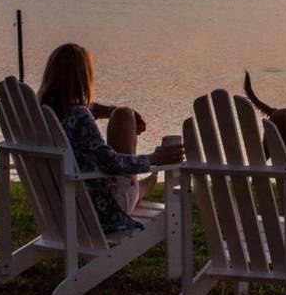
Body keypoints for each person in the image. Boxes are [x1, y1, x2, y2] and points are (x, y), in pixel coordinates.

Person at [36, 42, 184, 234]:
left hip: (61, 205)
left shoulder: (41, 114)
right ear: (84, 77)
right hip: (100, 212)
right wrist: (155, 159)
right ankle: (147, 182)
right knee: (133, 181)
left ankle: (142, 184)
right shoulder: (79, 116)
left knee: (123, 113)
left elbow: (85, 109)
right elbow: (110, 162)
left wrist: (111, 111)